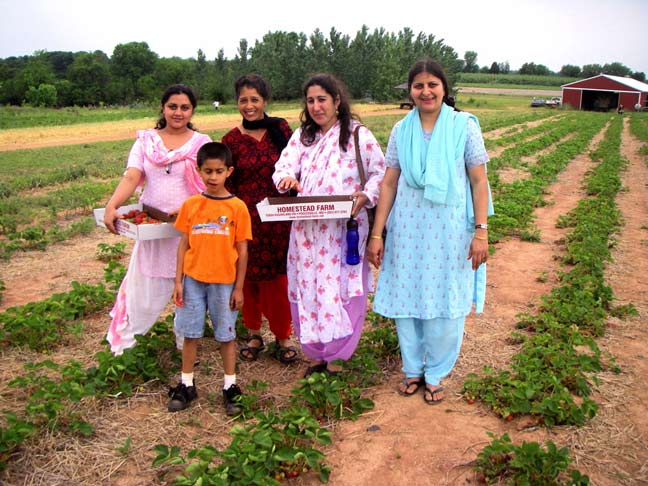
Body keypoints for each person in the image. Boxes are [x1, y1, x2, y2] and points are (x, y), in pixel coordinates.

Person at [366, 59, 493, 405]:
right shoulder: (400, 130)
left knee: (446, 299)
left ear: (444, 89)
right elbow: (389, 183)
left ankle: (435, 372)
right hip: (407, 229)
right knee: (407, 300)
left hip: (450, 231)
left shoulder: (463, 127)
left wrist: (480, 231)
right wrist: (377, 234)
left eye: (432, 85)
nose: (425, 91)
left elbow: (478, 180)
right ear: (410, 91)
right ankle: (412, 369)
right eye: (418, 85)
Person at [273, 73, 386, 376]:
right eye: (310, 100)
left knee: (341, 289)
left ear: (337, 101)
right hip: (307, 232)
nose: (316, 106)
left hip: (342, 232)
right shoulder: (302, 137)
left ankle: (336, 356)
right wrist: (286, 177)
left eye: (322, 99)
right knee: (309, 287)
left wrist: (365, 196)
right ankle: (315, 354)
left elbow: (380, 173)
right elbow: (284, 164)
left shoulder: (358, 135)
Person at [104, 84, 211, 355]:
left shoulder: (202, 143)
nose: (178, 112)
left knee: (189, 290)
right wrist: (112, 205)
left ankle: (186, 346)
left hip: (188, 230)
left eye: (185, 107)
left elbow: (210, 185)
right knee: (145, 288)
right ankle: (128, 345)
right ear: (163, 108)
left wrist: (189, 209)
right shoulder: (146, 141)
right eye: (172, 106)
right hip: (152, 229)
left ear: (192, 110)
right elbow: (131, 176)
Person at [168, 142, 252, 414]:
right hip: (192, 280)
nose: (213, 177)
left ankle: (230, 386)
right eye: (207, 171)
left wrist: (238, 288)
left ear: (229, 171)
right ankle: (187, 384)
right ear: (198, 171)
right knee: (190, 333)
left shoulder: (238, 207)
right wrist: (178, 280)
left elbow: (242, 249)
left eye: (218, 171)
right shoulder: (192, 205)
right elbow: (183, 244)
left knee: (226, 334)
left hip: (224, 283)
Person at [222, 74, 298, 364]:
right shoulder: (230, 139)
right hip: (245, 219)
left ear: (265, 100)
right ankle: (254, 333)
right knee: (247, 277)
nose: (249, 105)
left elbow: (295, 164)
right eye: (244, 100)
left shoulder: (280, 130)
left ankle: (283, 336)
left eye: (255, 99)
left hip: (279, 219)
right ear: (237, 102)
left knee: (278, 280)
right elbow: (227, 182)